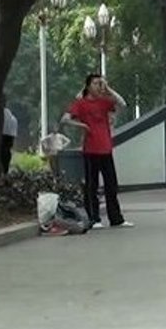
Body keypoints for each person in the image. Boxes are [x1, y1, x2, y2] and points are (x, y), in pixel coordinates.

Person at [60, 74, 133, 230]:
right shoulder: (81, 104)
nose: (98, 86)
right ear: (87, 86)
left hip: (106, 148)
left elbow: (122, 104)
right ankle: (94, 218)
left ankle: (116, 219)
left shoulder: (104, 103)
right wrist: (82, 126)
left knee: (111, 185)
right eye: (95, 83)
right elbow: (65, 119)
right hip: (91, 149)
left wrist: (108, 89)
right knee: (92, 186)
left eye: (100, 83)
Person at [1, 103, 18, 174]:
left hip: (2, 135)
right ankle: (5, 171)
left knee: (1, 153)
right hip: (9, 136)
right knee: (6, 152)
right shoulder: (12, 117)